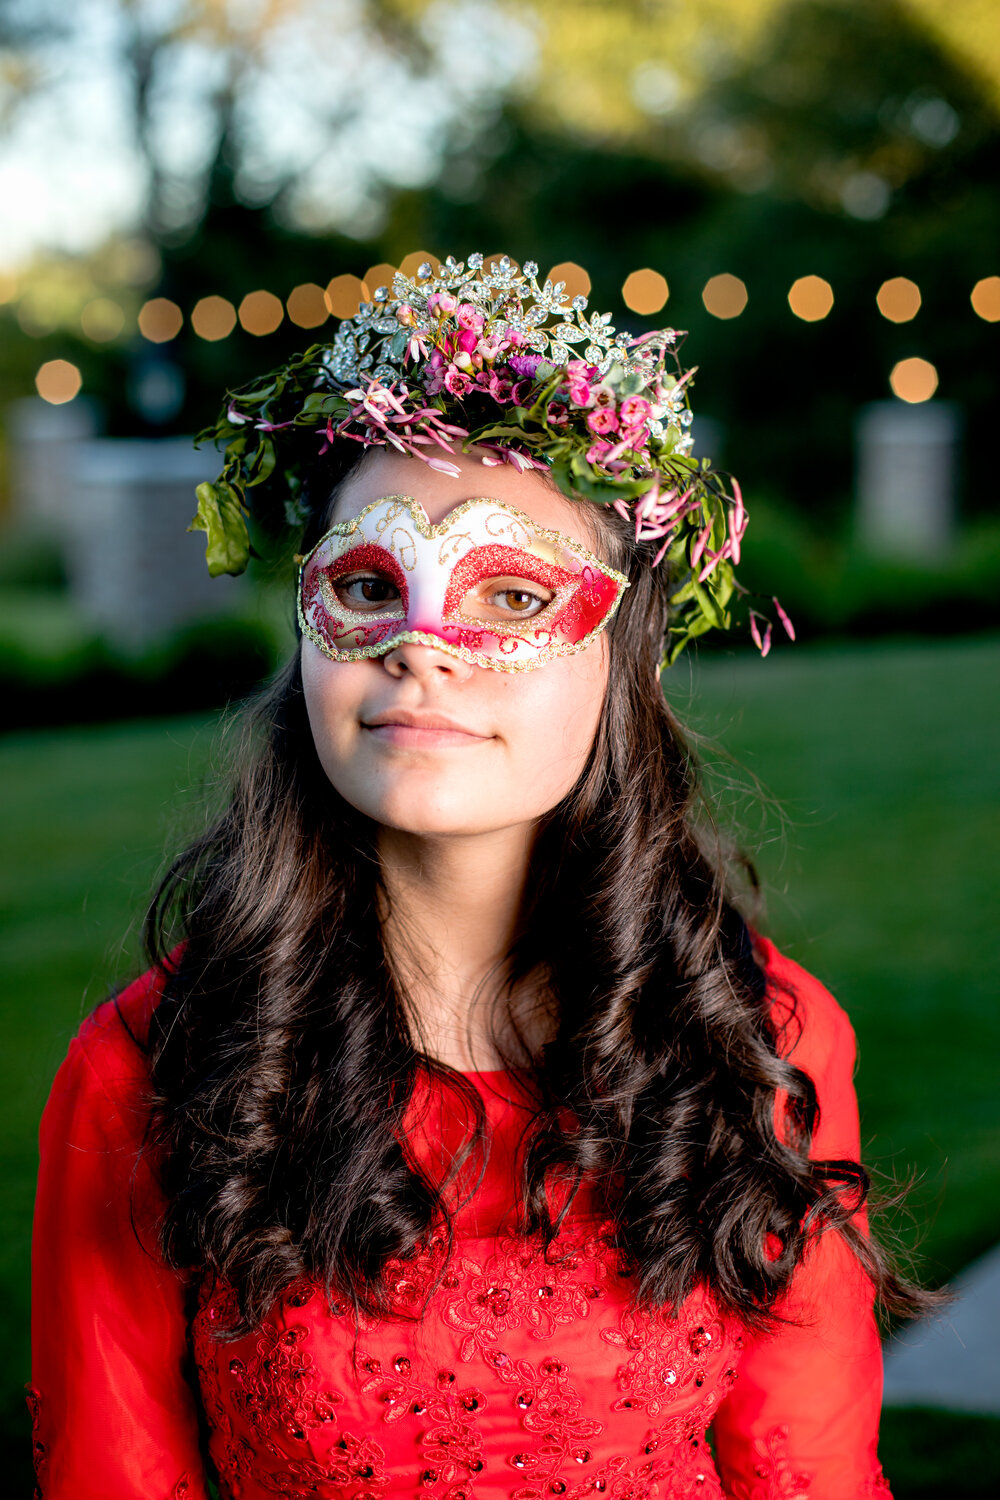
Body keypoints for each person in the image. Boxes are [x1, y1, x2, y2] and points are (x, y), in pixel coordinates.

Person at [27, 254, 923, 1499]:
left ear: (626, 658)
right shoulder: (152, 1068)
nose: (422, 650)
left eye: (511, 597)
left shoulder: (760, 1041)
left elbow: (809, 1470)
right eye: (364, 588)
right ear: (307, 631)